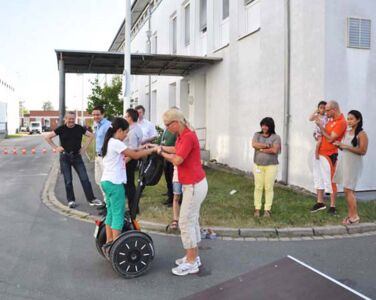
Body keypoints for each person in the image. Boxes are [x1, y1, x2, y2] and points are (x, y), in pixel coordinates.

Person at [156, 109, 207, 276]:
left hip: (193, 185)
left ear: (176, 122)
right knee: (192, 221)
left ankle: (192, 262)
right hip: (192, 184)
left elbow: (178, 159)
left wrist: (160, 153)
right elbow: (176, 149)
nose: (166, 128)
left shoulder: (187, 136)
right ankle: (193, 257)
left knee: (185, 222)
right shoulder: (182, 136)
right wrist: (160, 147)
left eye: (167, 124)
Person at [100, 117, 156, 258]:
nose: (126, 135)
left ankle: (109, 242)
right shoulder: (116, 143)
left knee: (111, 213)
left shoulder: (109, 142)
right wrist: (152, 150)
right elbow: (134, 155)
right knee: (118, 214)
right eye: (125, 132)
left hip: (106, 182)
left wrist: (142, 147)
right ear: (119, 130)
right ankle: (115, 247)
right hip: (115, 183)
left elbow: (130, 151)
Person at [45, 111, 102, 208]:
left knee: (85, 179)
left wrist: (84, 148)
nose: (71, 120)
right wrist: (56, 147)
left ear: (75, 119)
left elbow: (91, 136)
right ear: (65, 119)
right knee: (68, 180)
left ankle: (91, 199)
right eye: (69, 118)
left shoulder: (79, 128)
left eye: (73, 118)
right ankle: (71, 201)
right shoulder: (61, 129)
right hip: (65, 157)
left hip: (77, 157)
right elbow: (47, 137)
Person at [311, 100, 347, 215]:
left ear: (334, 109)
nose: (325, 113)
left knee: (330, 180)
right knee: (318, 178)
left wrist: (321, 127)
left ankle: (332, 206)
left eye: (327, 110)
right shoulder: (331, 121)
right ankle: (320, 203)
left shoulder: (341, 122)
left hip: (329, 154)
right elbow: (324, 135)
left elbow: (331, 138)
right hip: (320, 153)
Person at [333, 110, 368, 225]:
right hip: (345, 162)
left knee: (349, 190)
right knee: (347, 190)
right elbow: (344, 148)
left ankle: (355, 217)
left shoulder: (362, 134)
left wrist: (345, 146)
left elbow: (363, 151)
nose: (349, 121)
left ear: (358, 120)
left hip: (354, 164)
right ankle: (351, 215)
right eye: (348, 118)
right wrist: (339, 146)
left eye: (351, 118)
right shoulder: (347, 132)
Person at [251, 117, 281, 218]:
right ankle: (257, 209)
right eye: (262, 125)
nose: (263, 127)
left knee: (268, 187)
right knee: (258, 187)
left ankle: (267, 210)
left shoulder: (276, 137)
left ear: (270, 126)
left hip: (271, 166)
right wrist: (268, 145)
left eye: (266, 125)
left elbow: (275, 150)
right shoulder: (257, 135)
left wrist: (262, 149)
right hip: (258, 165)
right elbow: (254, 144)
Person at [124, 108, 143, 210]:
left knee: (129, 184)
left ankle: (134, 208)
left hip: (129, 159)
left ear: (130, 118)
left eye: (126, 116)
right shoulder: (135, 128)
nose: (125, 118)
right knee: (128, 184)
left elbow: (133, 149)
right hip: (129, 158)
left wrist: (124, 162)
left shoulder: (133, 131)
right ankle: (132, 206)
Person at [92, 106, 111, 203]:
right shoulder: (97, 125)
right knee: (98, 180)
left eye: (98, 114)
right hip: (97, 156)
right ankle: (106, 202)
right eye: (94, 115)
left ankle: (109, 205)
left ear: (103, 114)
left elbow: (111, 141)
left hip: (105, 157)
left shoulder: (108, 125)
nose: (95, 116)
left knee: (105, 182)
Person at [161, 127, 177, 207]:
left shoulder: (175, 131)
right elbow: (163, 140)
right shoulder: (166, 130)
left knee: (172, 179)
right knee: (168, 178)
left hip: (172, 157)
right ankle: (170, 197)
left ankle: (175, 198)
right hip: (165, 156)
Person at [166, 166, 182, 231]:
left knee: (188, 199)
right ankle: (175, 219)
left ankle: (188, 219)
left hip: (188, 176)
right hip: (177, 176)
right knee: (176, 198)